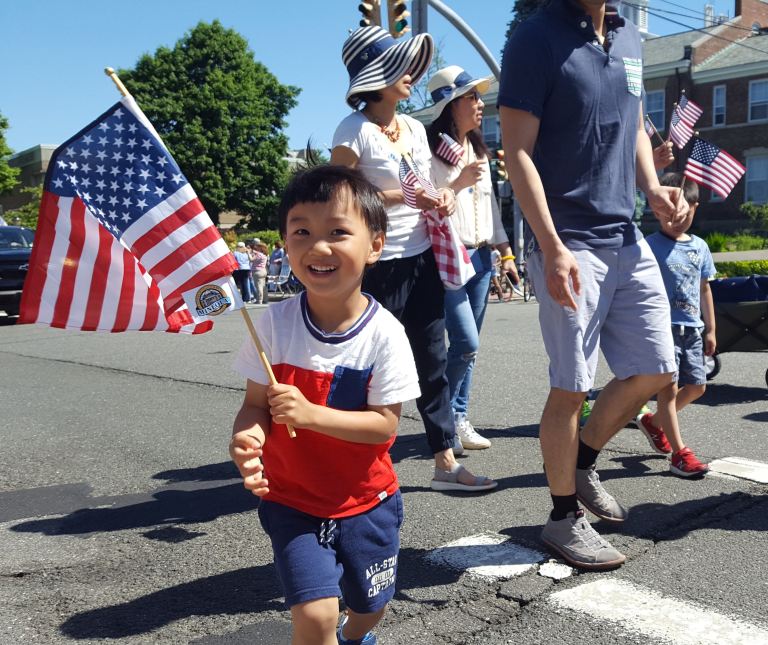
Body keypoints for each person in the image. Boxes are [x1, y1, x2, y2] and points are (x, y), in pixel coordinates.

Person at [499, 0, 685, 569]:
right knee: (570, 388)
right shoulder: (536, 38)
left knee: (656, 369)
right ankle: (561, 519)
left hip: (625, 234)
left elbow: (631, 126)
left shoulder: (627, 40)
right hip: (569, 240)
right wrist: (551, 247)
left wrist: (651, 188)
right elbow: (517, 152)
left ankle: (580, 463)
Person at [230, 166, 421, 645]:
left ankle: (357, 636)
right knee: (314, 617)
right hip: (292, 500)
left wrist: (311, 414)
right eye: (302, 232)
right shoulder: (272, 324)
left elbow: (383, 428)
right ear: (285, 243)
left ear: (375, 245)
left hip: (366, 501)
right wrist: (249, 437)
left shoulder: (385, 335)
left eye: (338, 231)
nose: (318, 247)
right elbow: (255, 405)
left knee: (368, 605)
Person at [330, 25, 496, 492]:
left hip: (424, 255)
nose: (410, 75)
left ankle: (445, 462)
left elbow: (427, 186)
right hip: (378, 265)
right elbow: (339, 199)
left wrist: (442, 197)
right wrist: (405, 197)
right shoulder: (353, 131)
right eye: (400, 67)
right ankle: (356, 464)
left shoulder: (417, 128)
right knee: (371, 366)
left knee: (433, 359)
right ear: (377, 75)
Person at [427, 65, 519, 451]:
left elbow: (491, 209)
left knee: (472, 344)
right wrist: (457, 181)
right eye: (472, 97)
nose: (480, 104)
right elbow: (428, 203)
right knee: (465, 343)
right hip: (449, 257)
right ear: (451, 105)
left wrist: (506, 253)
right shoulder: (430, 151)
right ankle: (443, 415)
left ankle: (458, 417)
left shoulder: (476, 150)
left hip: (482, 258)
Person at [637, 173, 713, 477]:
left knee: (697, 387)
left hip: (692, 329)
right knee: (667, 390)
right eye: (668, 212)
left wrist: (711, 328)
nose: (676, 218)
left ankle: (654, 422)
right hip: (661, 327)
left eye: (683, 211)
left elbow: (705, 287)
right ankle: (680, 455)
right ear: (656, 210)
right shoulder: (649, 245)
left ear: (694, 208)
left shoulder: (700, 247)